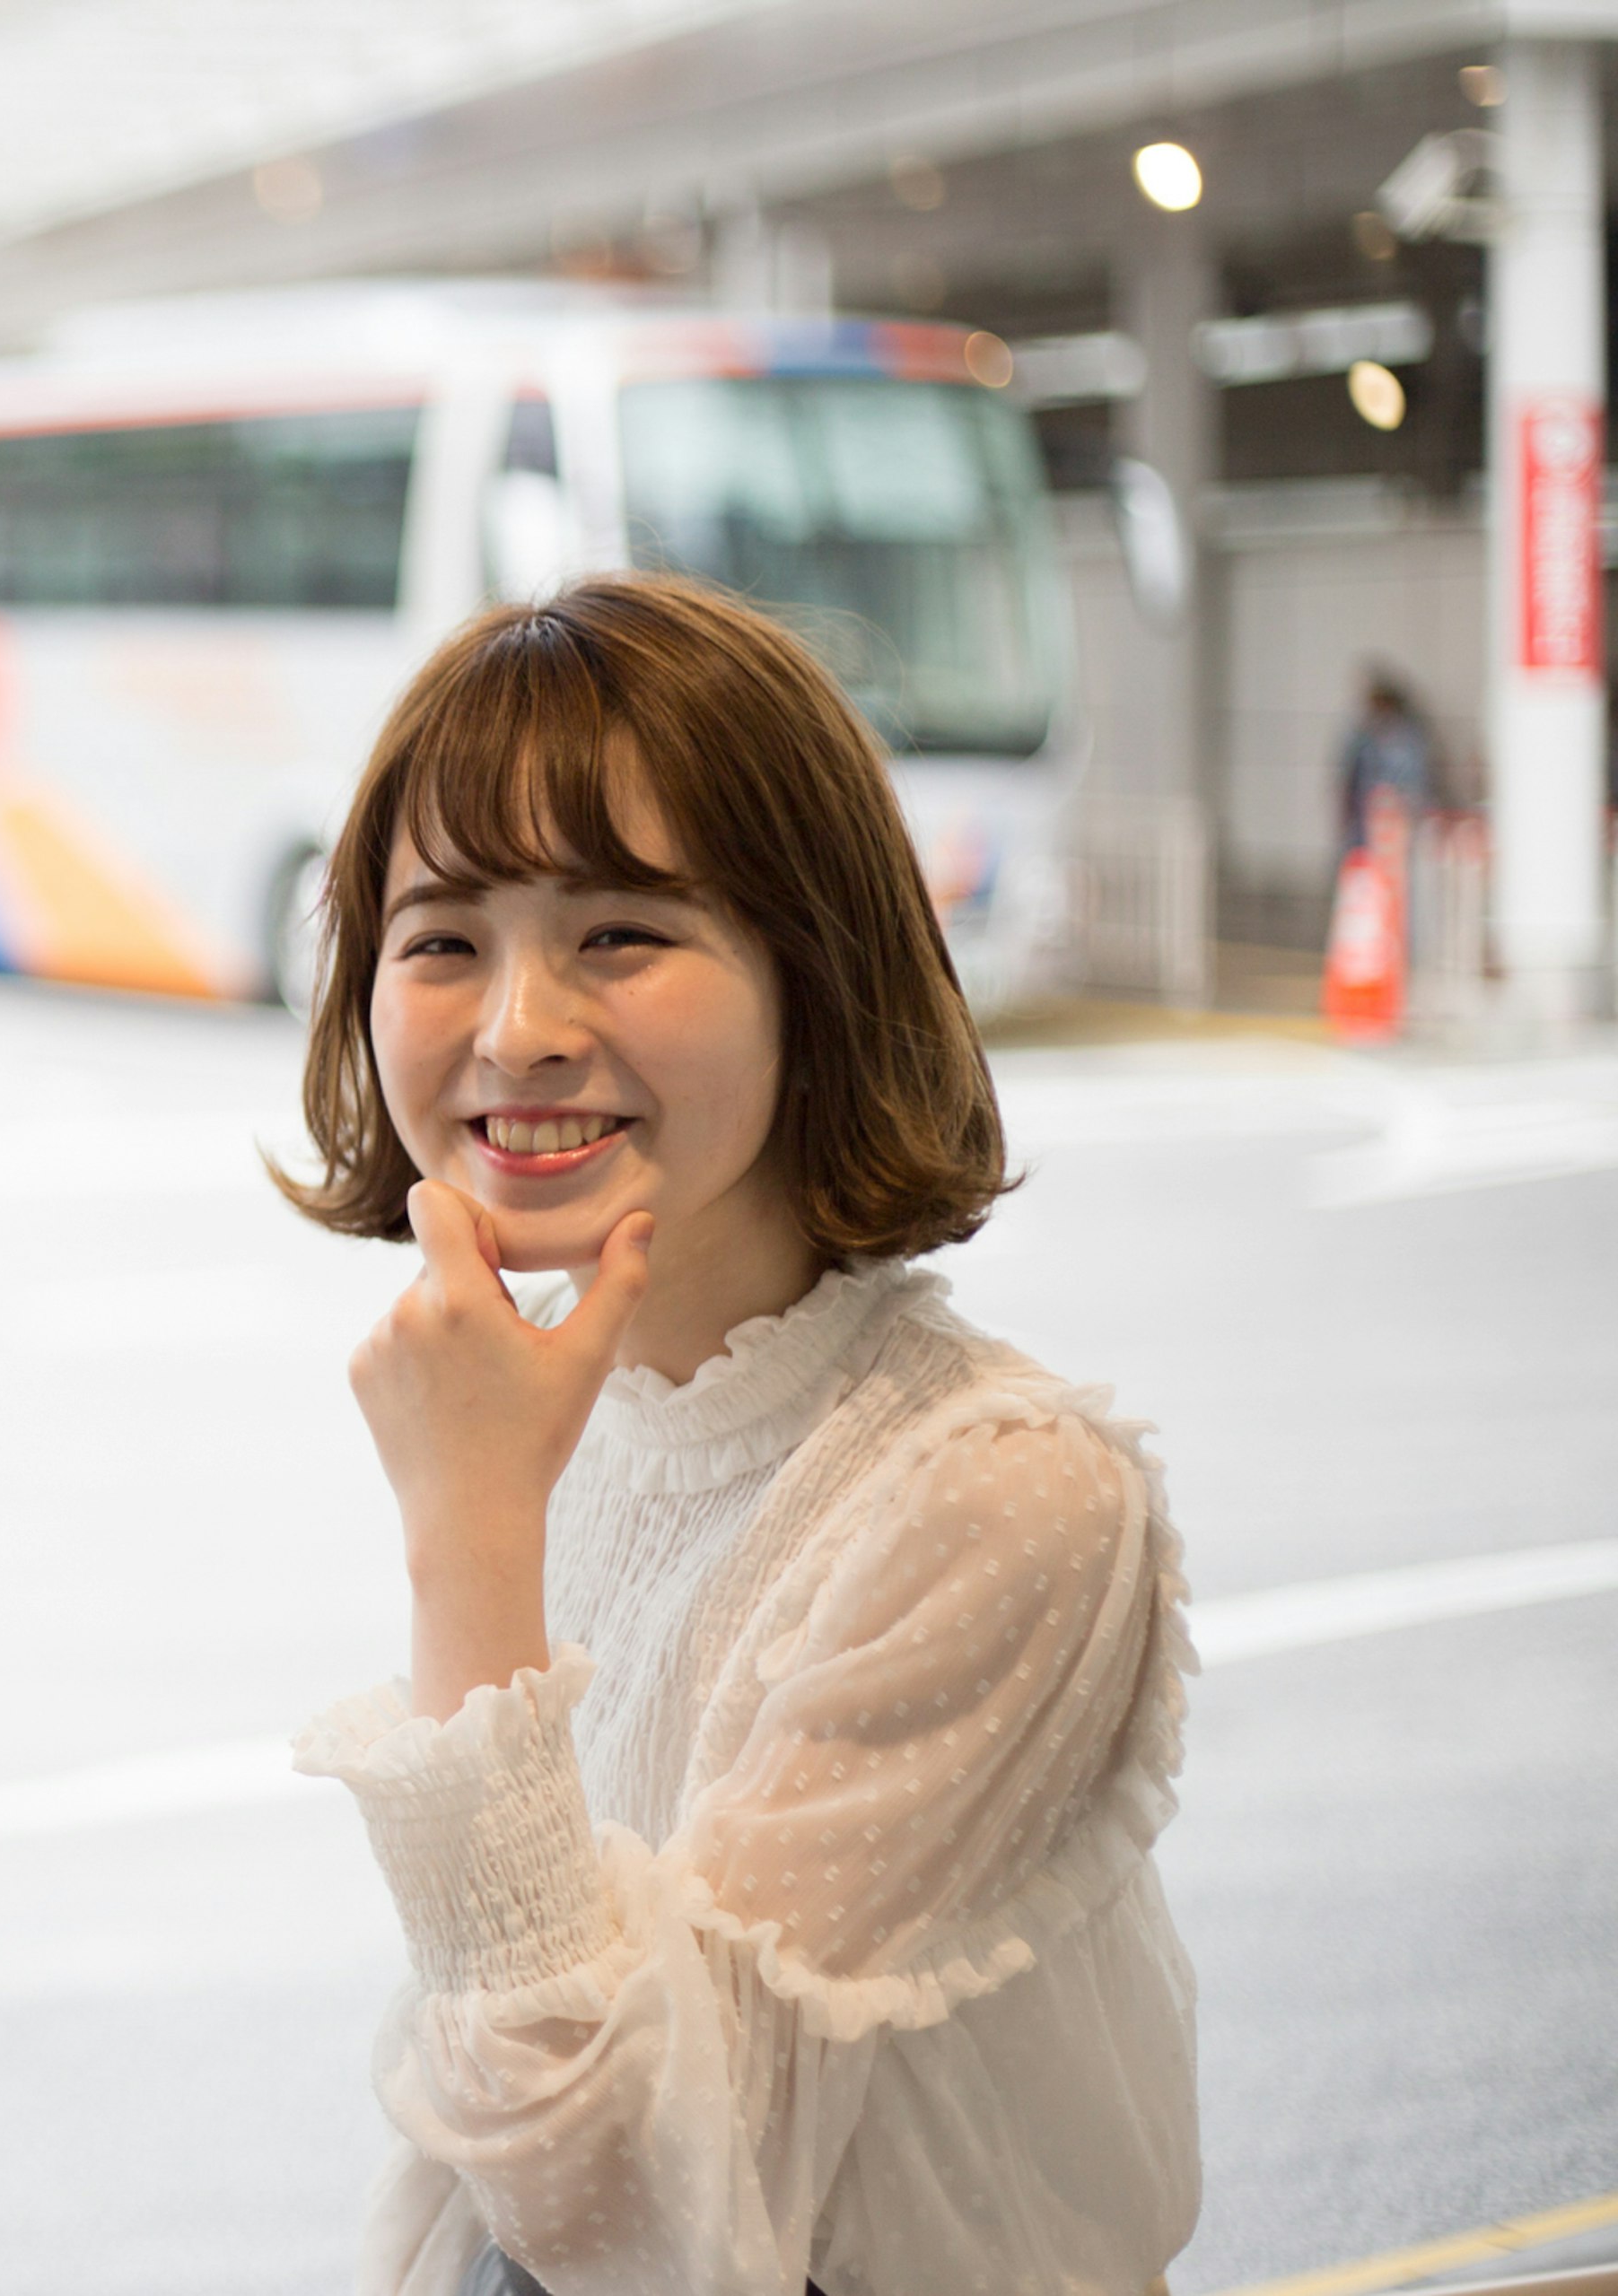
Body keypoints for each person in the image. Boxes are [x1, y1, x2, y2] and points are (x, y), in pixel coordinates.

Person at [280, 575, 1197, 2296]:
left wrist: (466, 1530)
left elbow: (623, 2205)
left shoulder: (999, 1491)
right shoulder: (600, 1398)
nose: (516, 1027)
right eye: (442, 937)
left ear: (815, 962)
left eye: (620, 930)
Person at [1338, 669, 1435, 861]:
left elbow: (1416, 784)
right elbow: (1349, 779)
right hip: (1364, 822)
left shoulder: (1406, 739)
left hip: (1395, 823)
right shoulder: (1362, 737)